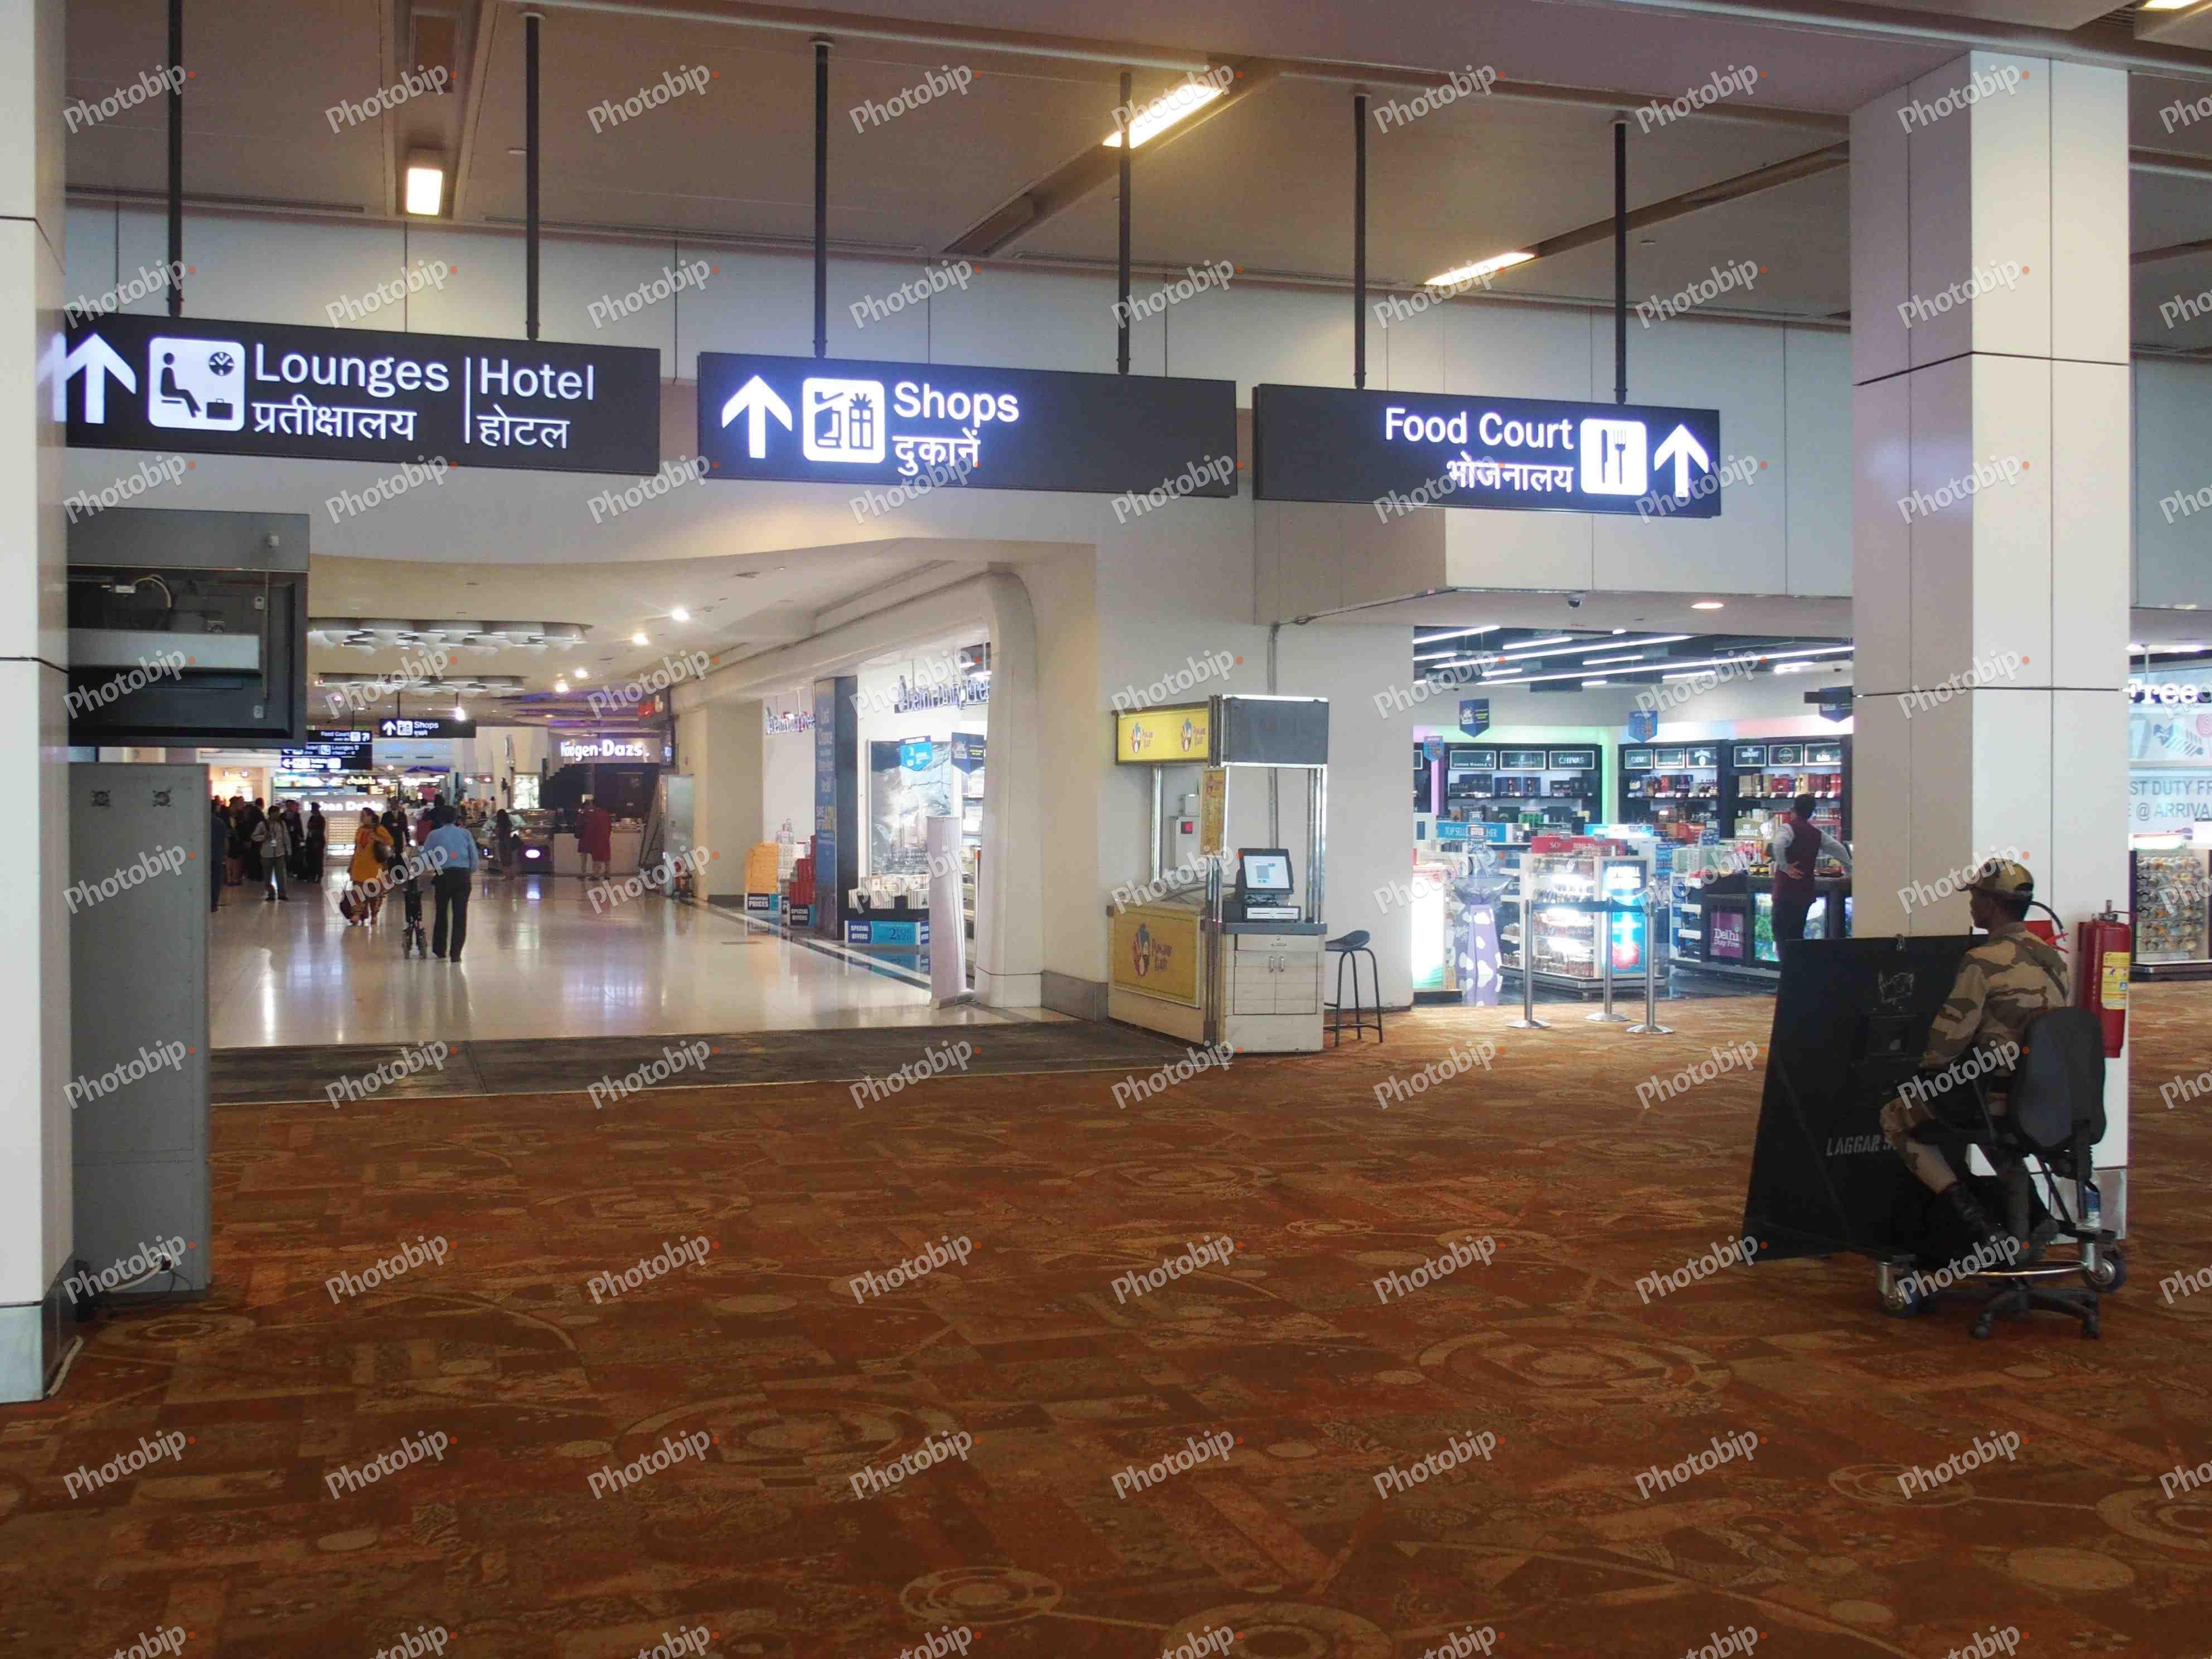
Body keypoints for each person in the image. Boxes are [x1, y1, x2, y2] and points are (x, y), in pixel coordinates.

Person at [1879, 859, 2070, 1251]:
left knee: (1897, 1115)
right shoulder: (2054, 960)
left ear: (1992, 904)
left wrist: (1922, 1069)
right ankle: (2036, 1215)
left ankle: (1975, 1219)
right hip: (2047, 1100)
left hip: (2001, 1098)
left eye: (1976, 897)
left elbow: (1944, 1046)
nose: (1971, 904)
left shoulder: (1983, 961)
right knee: (1990, 1121)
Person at [1769, 792, 1850, 945]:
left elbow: (1778, 845)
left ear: (1794, 810)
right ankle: (1797, 961)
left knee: (1781, 936)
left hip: (1785, 892)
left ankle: (1787, 962)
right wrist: (1849, 871)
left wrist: (1785, 867)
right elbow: (1839, 849)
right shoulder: (1817, 834)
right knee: (1797, 935)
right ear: (1812, 813)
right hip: (1805, 894)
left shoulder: (1788, 828)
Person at [421, 803, 481, 962]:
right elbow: (474, 859)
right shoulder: (465, 834)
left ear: (440, 819)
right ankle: (456, 953)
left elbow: (424, 857)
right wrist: (468, 871)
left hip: (443, 876)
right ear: (456, 819)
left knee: (441, 913)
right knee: (460, 914)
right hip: (462, 876)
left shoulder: (434, 835)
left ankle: (440, 950)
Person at [347, 807, 394, 925]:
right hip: (359, 866)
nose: (362, 818)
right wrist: (351, 864)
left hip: (374, 867)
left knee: (374, 894)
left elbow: (390, 842)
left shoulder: (379, 829)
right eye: (361, 815)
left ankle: (374, 915)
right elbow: (357, 848)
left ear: (371, 816)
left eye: (364, 815)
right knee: (357, 892)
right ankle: (356, 914)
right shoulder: (360, 830)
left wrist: (377, 838)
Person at [261, 804, 292, 901]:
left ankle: (282, 893)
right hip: (267, 854)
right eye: (276, 813)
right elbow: (254, 836)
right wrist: (264, 837)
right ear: (271, 813)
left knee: (281, 875)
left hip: (280, 853)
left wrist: (289, 850)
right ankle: (271, 893)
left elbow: (286, 837)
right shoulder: (263, 824)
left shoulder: (282, 824)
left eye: (278, 813)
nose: (277, 815)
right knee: (267, 875)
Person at [208, 797, 229, 912]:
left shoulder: (201, 822)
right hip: (217, 855)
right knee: (216, 881)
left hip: (204, 856)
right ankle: (214, 904)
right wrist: (225, 854)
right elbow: (225, 841)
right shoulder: (221, 823)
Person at [305, 803, 327, 881]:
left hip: (318, 841)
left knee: (318, 859)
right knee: (311, 859)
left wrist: (317, 840)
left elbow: (320, 830)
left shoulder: (321, 819)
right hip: (311, 841)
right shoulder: (312, 818)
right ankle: (312, 875)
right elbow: (309, 827)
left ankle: (319, 876)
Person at [494, 806, 516, 881]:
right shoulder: (509, 822)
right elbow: (510, 829)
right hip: (509, 841)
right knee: (509, 858)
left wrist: (495, 831)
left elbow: (498, 832)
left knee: (504, 859)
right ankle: (511, 875)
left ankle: (507, 876)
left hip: (502, 841)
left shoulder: (499, 823)